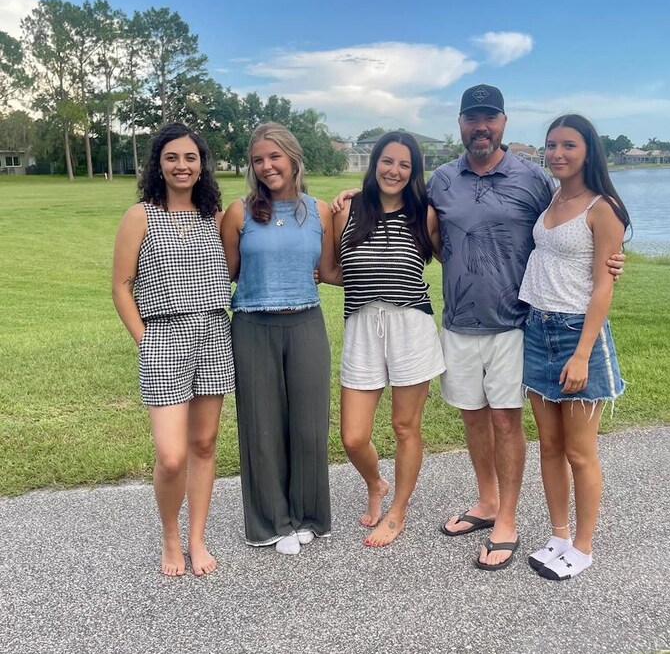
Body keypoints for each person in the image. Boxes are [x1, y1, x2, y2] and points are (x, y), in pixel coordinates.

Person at [333, 83, 624, 571]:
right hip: (459, 322)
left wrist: (612, 259)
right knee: (472, 416)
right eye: (472, 118)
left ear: (503, 122)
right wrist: (352, 195)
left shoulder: (535, 178)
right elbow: (399, 200)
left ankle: (507, 518)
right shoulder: (443, 180)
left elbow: (579, 218)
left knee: (506, 421)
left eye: (490, 118)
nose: (481, 127)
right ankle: (487, 501)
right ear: (461, 124)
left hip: (515, 322)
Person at [112, 122, 234, 576]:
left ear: (202, 165)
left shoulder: (214, 215)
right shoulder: (140, 216)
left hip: (213, 334)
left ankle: (196, 538)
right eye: (172, 158)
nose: (182, 166)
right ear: (158, 165)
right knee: (171, 455)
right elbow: (121, 287)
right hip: (164, 337)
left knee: (203, 443)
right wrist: (145, 340)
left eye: (190, 158)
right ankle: (170, 536)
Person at [220, 122, 342, 556]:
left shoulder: (319, 210)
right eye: (258, 160)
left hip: (306, 323)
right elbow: (226, 274)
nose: (267, 166)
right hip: (253, 327)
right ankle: (271, 522)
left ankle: (308, 516)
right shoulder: (239, 213)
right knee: (262, 427)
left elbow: (330, 271)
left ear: (293, 158)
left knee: (309, 426)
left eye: (274, 156)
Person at [519, 114, 630, 580]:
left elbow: (604, 287)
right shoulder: (552, 196)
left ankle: (583, 547)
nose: (557, 153)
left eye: (569, 145)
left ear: (588, 152)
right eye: (551, 145)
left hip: (576, 333)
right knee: (548, 445)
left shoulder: (603, 208)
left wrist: (582, 354)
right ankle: (559, 535)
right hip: (536, 328)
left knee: (579, 452)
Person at [333, 131, 445, 547]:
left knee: (405, 426)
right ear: (374, 163)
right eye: (387, 161)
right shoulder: (348, 209)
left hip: (410, 326)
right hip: (362, 326)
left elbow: (458, 255)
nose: (394, 170)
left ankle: (398, 510)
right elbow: (332, 270)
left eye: (404, 164)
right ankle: (376, 483)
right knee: (353, 437)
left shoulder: (425, 214)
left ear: (414, 172)